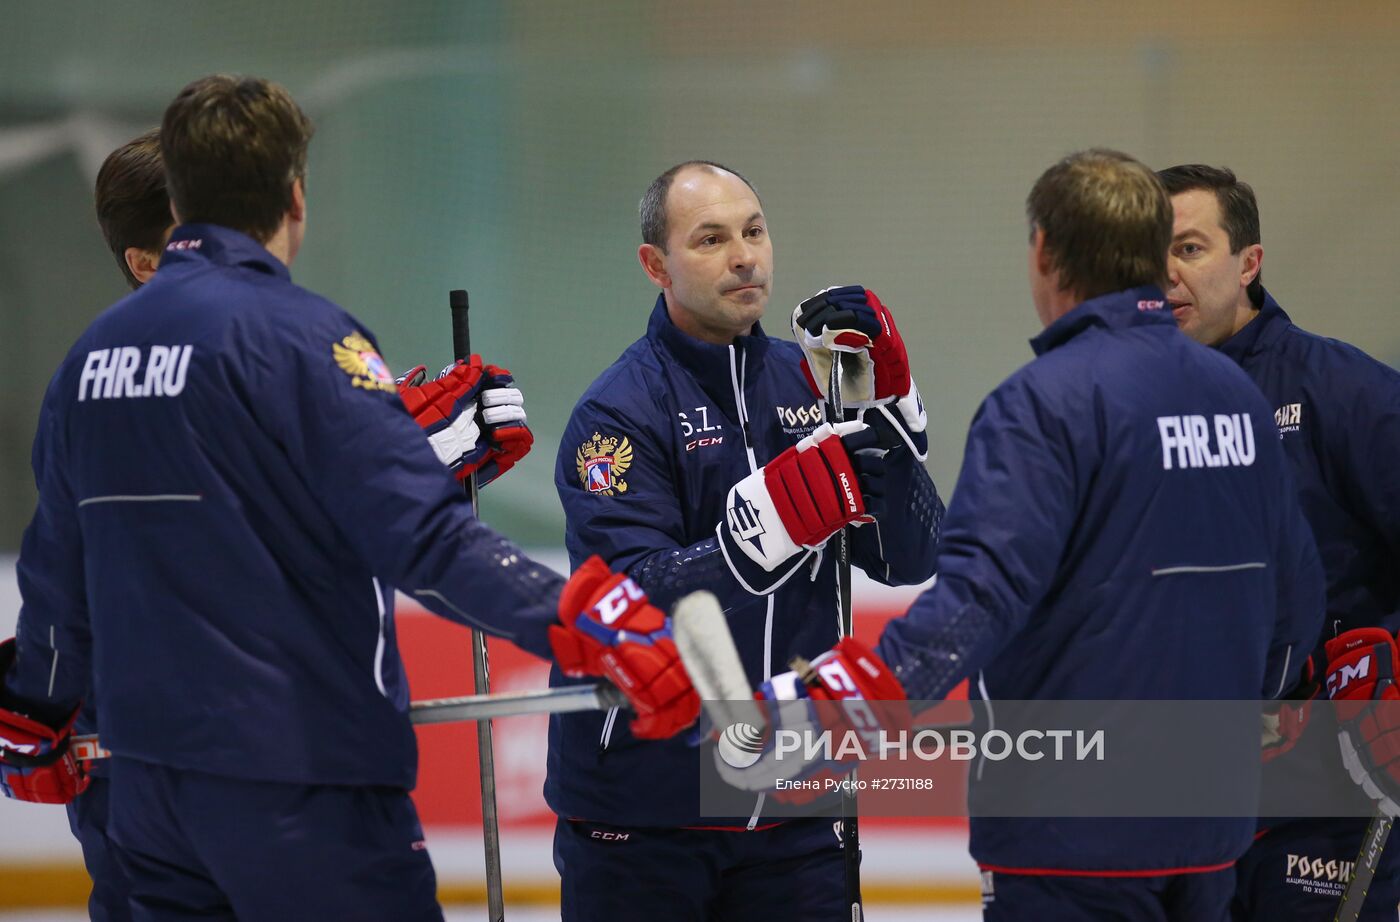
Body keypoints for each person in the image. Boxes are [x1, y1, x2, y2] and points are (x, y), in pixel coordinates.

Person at [0, 74, 699, 920]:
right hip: (302, 784)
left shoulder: (87, 364)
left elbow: (56, 575)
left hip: (145, 799)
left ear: (181, 199)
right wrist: (590, 619)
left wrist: (33, 717)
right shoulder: (302, 338)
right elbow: (425, 543)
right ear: (295, 197)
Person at [717, 149, 1326, 921]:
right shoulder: (1236, 394)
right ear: (1151, 254)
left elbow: (974, 606)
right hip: (1213, 823)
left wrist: (818, 709)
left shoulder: (1042, 404)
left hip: (1070, 831)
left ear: (1043, 251)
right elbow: (1295, 604)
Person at [549, 159, 943, 920]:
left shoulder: (817, 382)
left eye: (755, 232)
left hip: (796, 812)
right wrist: (759, 535)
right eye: (710, 239)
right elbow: (624, 600)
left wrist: (888, 414)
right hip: (646, 812)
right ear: (654, 265)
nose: (744, 256)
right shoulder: (617, 414)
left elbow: (914, 559)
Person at [1158, 162, 1400, 920]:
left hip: (1330, 790)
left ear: (1249, 263)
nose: (1164, 275)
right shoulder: (1124, 407)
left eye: (1189, 249)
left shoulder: (1343, 390)